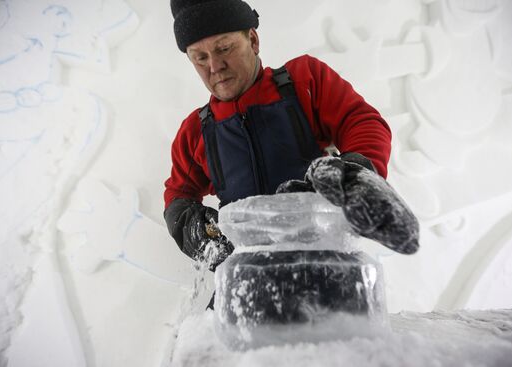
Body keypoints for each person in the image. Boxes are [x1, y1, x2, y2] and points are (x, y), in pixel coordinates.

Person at [164, 0, 420, 271]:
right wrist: (190, 225)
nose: (215, 66)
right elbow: (179, 194)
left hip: (325, 269)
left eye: (224, 48)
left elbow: (361, 122)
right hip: (245, 282)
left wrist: (355, 172)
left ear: (252, 40)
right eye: (200, 58)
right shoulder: (195, 130)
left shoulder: (304, 81)